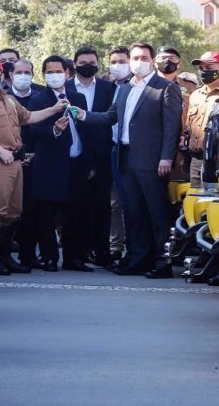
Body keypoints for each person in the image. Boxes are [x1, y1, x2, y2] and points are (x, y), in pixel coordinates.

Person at [73, 43, 183, 278]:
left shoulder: (165, 88)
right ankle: (138, 259)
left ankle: (162, 263)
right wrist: (82, 115)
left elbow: (172, 127)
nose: (138, 62)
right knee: (134, 212)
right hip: (125, 158)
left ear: (153, 61)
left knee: (157, 214)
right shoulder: (124, 89)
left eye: (143, 57)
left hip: (152, 161)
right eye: (135, 58)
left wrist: (166, 157)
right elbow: (110, 117)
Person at [0, 59, 66, 275]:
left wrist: (54, 109)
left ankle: (4, 257)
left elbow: (28, 117)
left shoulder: (9, 100)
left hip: (15, 162)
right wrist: (0, 150)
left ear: (2, 76)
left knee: (12, 212)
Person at [28, 55, 90, 271]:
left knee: (75, 213)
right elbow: (34, 130)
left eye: (58, 71)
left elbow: (87, 128)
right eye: (49, 72)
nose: (54, 75)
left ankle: (74, 258)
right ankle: (50, 257)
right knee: (47, 214)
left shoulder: (78, 98)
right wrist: (54, 129)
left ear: (67, 73)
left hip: (76, 162)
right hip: (51, 165)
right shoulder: (38, 99)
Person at [71, 46, 118, 268]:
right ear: (74, 64)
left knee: (102, 207)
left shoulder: (109, 88)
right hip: (75, 157)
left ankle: (102, 254)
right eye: (82, 62)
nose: (87, 65)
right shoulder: (67, 87)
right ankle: (77, 255)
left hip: (102, 156)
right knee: (76, 208)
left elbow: (110, 120)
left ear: (98, 64)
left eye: (91, 61)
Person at [8, 59, 42, 270]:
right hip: (10, 159)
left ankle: (28, 255)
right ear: (10, 75)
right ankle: (5, 253)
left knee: (32, 211)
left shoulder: (41, 96)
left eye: (27, 72)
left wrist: (35, 153)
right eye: (18, 72)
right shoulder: (2, 96)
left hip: (36, 160)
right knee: (9, 211)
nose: (23, 76)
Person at [186, 51, 219, 185]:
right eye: (201, 68)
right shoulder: (195, 95)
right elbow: (188, 125)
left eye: (208, 68)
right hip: (196, 162)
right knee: (194, 203)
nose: (203, 72)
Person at [105, 45, 133, 269]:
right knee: (115, 203)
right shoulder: (108, 87)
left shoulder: (138, 85)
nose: (118, 66)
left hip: (135, 151)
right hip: (113, 150)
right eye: (113, 62)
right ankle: (115, 248)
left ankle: (134, 248)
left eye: (122, 61)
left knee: (132, 202)